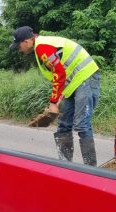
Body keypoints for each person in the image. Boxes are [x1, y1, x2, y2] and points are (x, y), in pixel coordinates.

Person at [10, 26, 100, 166]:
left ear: (27, 41)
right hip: (73, 83)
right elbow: (61, 73)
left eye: (18, 45)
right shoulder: (40, 48)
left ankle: (92, 169)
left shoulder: (42, 47)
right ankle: (65, 166)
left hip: (85, 77)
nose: (18, 49)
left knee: (82, 124)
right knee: (64, 125)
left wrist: (53, 102)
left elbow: (59, 74)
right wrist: (58, 98)